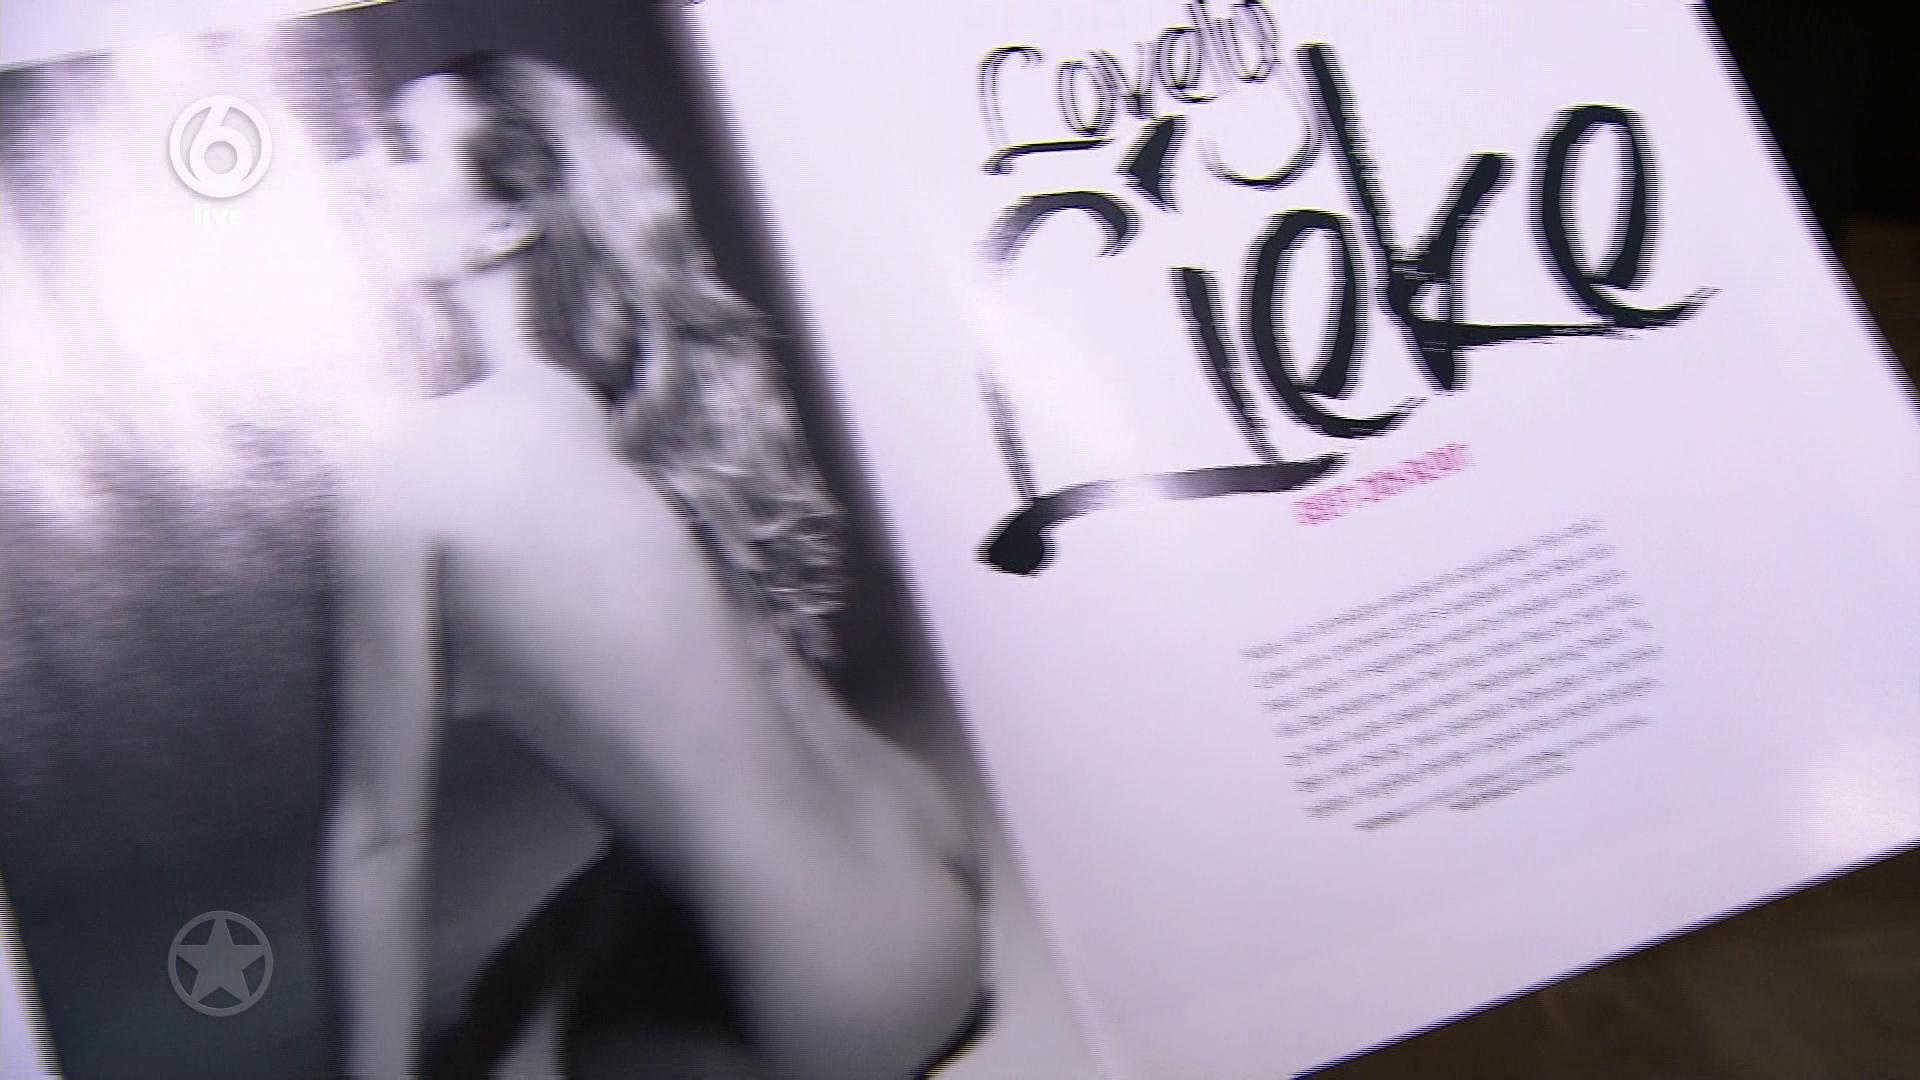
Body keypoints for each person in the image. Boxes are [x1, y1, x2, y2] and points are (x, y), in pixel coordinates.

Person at [317, 51, 988, 1080]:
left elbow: (379, 844)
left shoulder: (409, 481)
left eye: (402, 150)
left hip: (837, 1017)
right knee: (570, 930)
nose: (355, 173)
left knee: (532, 1037)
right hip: (935, 874)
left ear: (506, 223)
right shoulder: (643, 413)